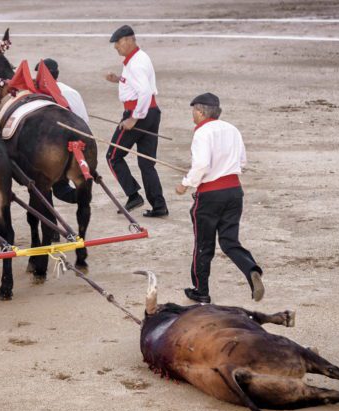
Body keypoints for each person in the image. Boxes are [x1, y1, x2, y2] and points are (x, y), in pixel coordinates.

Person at [175, 93, 264, 304]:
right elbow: (242, 160)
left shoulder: (202, 133)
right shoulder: (232, 129)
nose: (192, 116)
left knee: (204, 244)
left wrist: (185, 183)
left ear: (200, 111)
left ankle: (201, 291)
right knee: (229, 241)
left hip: (210, 195)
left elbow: (202, 165)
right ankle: (251, 269)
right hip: (234, 192)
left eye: (193, 112)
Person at [104, 25, 167, 217]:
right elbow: (137, 84)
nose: (116, 47)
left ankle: (133, 195)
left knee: (113, 156)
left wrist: (134, 118)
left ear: (129, 40)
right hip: (152, 113)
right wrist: (118, 79)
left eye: (118, 43)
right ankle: (159, 206)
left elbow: (145, 92)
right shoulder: (138, 58)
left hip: (138, 113)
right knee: (146, 163)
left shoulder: (136, 63)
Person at [34, 58, 89, 207]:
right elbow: (84, 120)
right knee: (60, 188)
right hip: (77, 144)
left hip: (54, 148)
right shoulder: (72, 92)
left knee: (48, 185)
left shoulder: (38, 95)